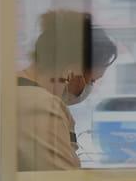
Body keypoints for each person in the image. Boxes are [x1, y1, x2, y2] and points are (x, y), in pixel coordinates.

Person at [17, 10, 118, 171]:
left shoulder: (21, 91)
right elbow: (63, 180)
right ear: (72, 72)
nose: (89, 88)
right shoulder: (42, 106)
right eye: (91, 81)